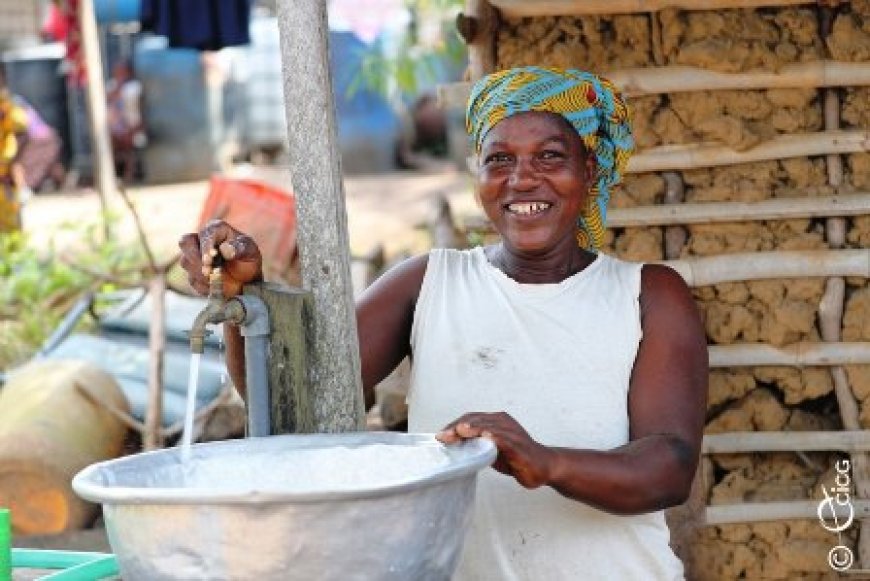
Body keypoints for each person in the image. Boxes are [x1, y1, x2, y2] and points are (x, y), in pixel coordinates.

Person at [179, 66, 708, 580]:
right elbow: (297, 404)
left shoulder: (648, 296)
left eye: (550, 156)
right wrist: (239, 299)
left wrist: (545, 462)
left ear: (588, 172)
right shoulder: (428, 283)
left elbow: (669, 465)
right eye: (499, 158)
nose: (522, 178)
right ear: (477, 173)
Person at [106, 60, 146, 183]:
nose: (119, 73)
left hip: (132, 127)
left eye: (122, 71)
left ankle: (129, 176)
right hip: (116, 127)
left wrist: (132, 129)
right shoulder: (112, 86)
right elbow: (108, 101)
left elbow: (140, 114)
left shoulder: (135, 88)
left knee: (129, 143)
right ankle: (110, 177)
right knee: (109, 140)